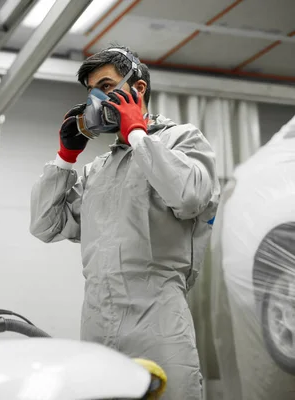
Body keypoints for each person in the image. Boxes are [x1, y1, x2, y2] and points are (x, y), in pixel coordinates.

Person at [29, 45, 220, 400]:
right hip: (97, 321)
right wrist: (65, 158)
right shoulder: (97, 171)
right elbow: (45, 225)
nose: (96, 98)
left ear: (139, 89)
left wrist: (138, 135)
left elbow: (189, 197)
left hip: (157, 320)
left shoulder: (182, 140)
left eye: (105, 84)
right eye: (91, 92)